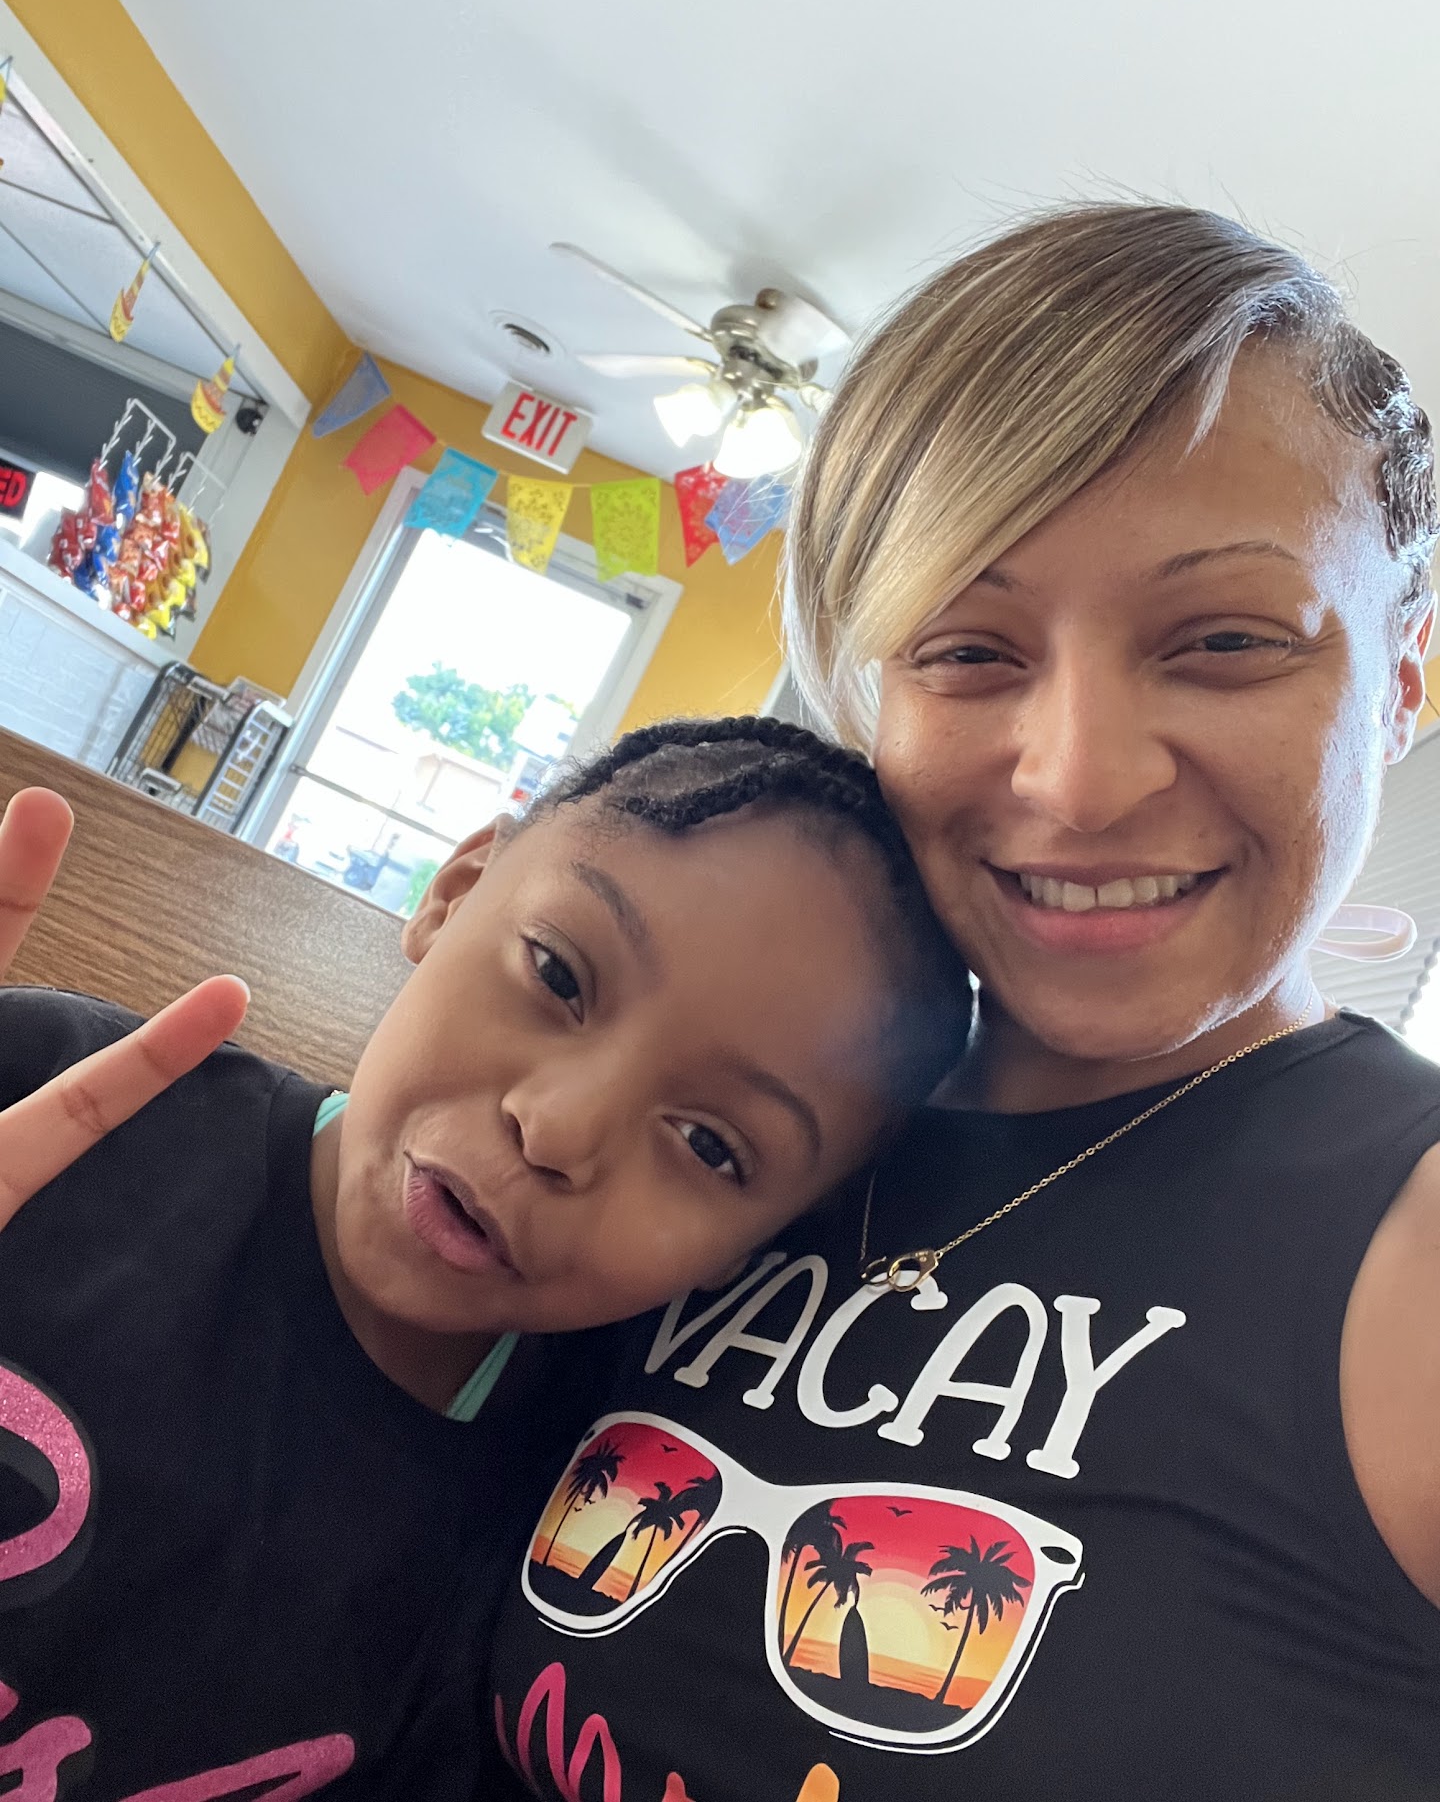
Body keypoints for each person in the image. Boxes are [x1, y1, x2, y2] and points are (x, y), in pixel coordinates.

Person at [487, 205, 1440, 1802]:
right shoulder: (740, 1113)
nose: (1079, 781)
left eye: (1224, 641)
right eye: (969, 651)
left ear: (1402, 677)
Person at [0, 718, 968, 1799]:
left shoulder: (576, 1547)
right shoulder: (46, 1110)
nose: (555, 1129)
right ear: (457, 891)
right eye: (558, 973)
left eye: (710, 1145)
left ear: (754, 1247)